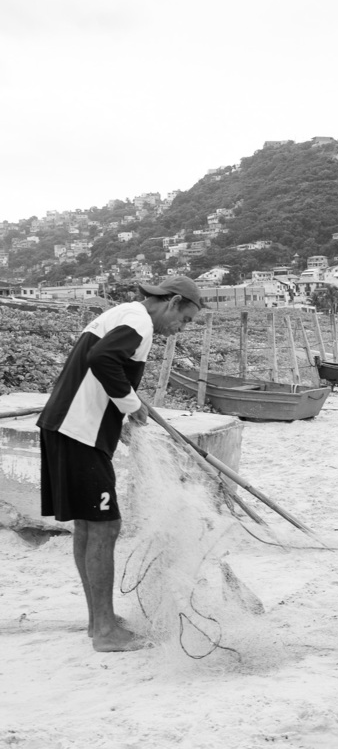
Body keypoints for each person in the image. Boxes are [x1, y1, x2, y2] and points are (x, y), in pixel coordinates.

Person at [37, 275, 203, 652]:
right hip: (78, 431)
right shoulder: (139, 320)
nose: (180, 329)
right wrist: (132, 406)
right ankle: (107, 632)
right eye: (185, 319)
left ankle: (99, 622)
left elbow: (105, 371)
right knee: (105, 526)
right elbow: (102, 359)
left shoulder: (123, 314)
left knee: (89, 525)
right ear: (173, 302)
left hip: (67, 427)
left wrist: (124, 415)